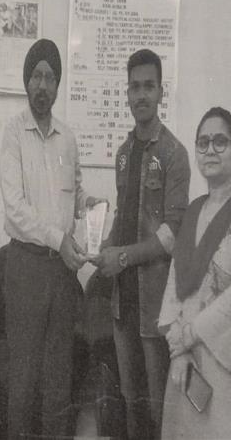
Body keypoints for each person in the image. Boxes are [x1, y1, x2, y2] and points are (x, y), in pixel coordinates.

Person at [0, 38, 105, 440]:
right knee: (24, 378)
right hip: (25, 268)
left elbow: (73, 194)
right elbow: (15, 209)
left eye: (50, 77)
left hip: (61, 272)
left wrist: (87, 204)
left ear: (58, 84)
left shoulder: (68, 138)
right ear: (27, 81)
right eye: (36, 76)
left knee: (59, 375)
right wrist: (58, 238)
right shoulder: (13, 134)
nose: (42, 85)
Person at [94, 48, 190, 439]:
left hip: (156, 306)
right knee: (131, 402)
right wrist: (102, 246)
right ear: (127, 93)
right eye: (134, 87)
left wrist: (122, 257)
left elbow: (172, 234)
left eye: (149, 86)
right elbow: (125, 217)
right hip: (124, 305)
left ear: (161, 92)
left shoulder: (174, 154)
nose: (141, 95)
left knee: (159, 408)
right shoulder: (122, 154)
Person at [158, 107, 231, 439]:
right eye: (203, 143)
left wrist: (189, 335)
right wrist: (180, 349)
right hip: (187, 360)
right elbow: (175, 286)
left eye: (220, 142)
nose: (210, 150)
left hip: (228, 354)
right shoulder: (194, 210)